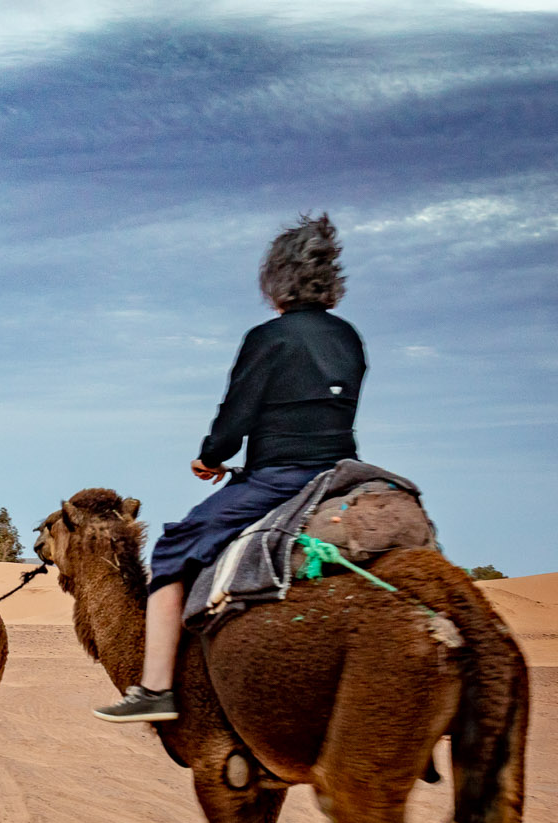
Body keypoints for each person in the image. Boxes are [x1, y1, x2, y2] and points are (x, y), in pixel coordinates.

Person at [95, 213, 365, 722]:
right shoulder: (349, 339)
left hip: (281, 478)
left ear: (276, 279)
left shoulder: (269, 338)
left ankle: (156, 689)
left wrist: (210, 458)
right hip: (344, 473)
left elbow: (235, 419)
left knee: (173, 548)